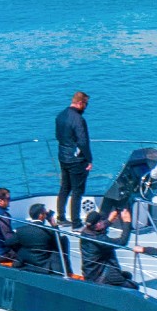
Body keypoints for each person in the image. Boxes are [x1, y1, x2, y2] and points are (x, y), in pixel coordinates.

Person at [54, 91, 92, 224]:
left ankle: (60, 217)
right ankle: (76, 221)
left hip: (63, 156)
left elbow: (58, 136)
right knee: (77, 190)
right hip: (76, 159)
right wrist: (89, 159)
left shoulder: (60, 115)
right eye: (85, 104)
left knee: (64, 187)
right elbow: (82, 141)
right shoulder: (78, 119)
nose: (86, 107)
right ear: (80, 103)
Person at [80, 211, 135, 288]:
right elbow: (122, 242)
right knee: (133, 287)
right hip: (102, 277)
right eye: (102, 220)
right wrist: (127, 222)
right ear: (98, 224)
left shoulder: (85, 232)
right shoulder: (99, 239)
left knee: (127, 275)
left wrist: (109, 221)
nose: (103, 221)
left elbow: (98, 229)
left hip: (91, 273)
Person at [12, 203, 65, 274]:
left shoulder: (21, 230)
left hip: (25, 264)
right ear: (40, 215)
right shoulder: (49, 231)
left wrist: (21, 250)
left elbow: (8, 243)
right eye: (45, 214)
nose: (46, 216)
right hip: (44, 267)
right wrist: (52, 222)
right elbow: (59, 242)